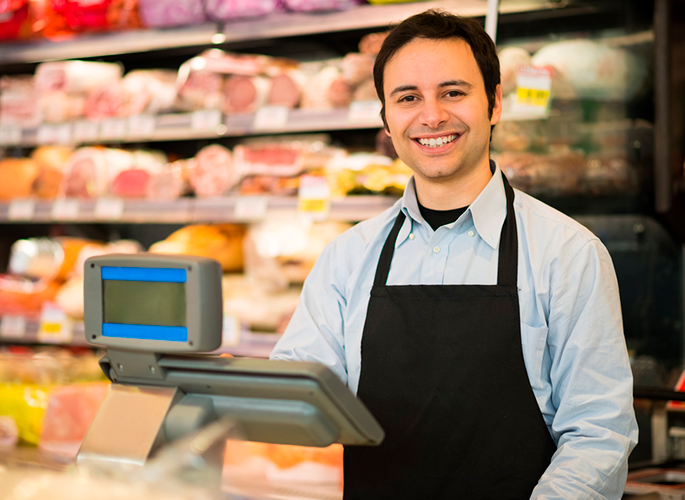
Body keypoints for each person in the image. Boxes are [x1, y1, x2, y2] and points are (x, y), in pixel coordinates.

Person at [271, 9, 638, 499]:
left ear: (495, 104)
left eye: (453, 92)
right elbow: (295, 405)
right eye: (408, 98)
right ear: (386, 119)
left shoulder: (568, 254)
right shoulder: (346, 257)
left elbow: (599, 434)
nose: (431, 116)